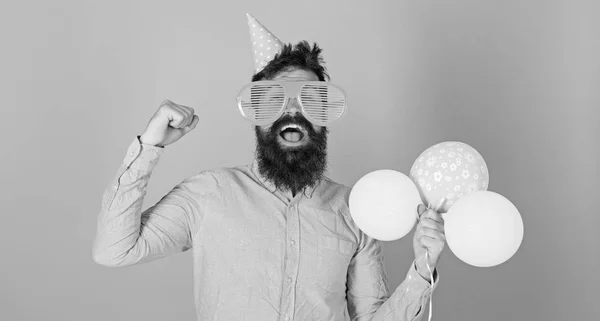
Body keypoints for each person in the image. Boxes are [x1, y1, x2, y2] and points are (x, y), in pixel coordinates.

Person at [93, 14, 446, 321]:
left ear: (325, 120)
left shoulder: (355, 212)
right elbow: (114, 250)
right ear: (256, 119)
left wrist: (422, 267)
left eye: (310, 101)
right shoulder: (208, 194)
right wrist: (149, 147)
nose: (292, 112)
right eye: (273, 100)